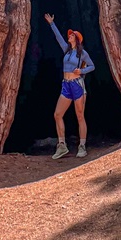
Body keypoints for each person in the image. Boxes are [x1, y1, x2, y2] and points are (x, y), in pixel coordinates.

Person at [44, 12, 95, 159]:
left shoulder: (82, 53)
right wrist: (51, 23)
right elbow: (58, 37)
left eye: (72, 35)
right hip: (66, 85)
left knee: (80, 115)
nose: (69, 36)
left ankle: (82, 146)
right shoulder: (66, 50)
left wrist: (82, 70)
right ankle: (62, 146)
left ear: (77, 39)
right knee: (57, 114)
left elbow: (92, 66)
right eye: (70, 35)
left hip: (77, 85)